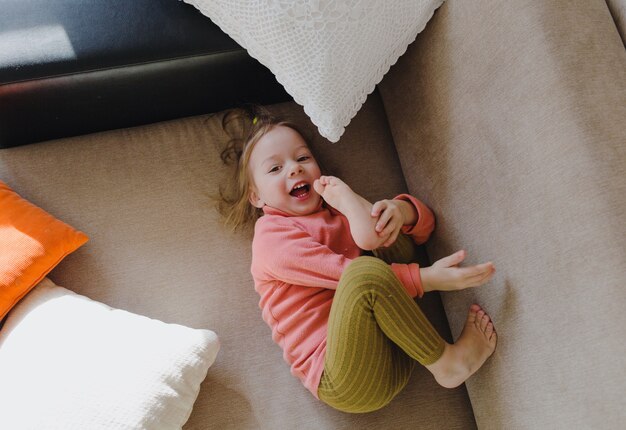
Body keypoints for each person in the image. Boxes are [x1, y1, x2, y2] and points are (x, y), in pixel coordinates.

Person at [217, 107, 497, 413]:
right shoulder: (272, 237)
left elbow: (420, 234)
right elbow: (348, 275)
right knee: (364, 272)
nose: (294, 170)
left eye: (302, 158)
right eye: (275, 169)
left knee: (382, 232)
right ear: (256, 197)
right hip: (344, 378)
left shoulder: (337, 207)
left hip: (401, 344)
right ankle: (448, 364)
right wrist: (427, 279)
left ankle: (437, 353)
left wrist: (398, 211)